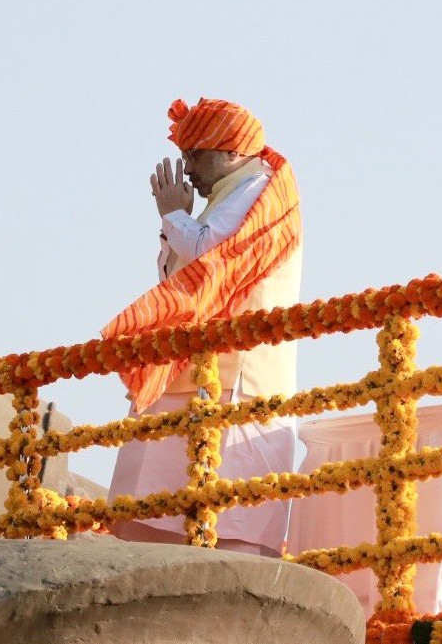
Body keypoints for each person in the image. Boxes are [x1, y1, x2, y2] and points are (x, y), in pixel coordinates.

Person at [102, 97, 303, 557]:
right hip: (195, 373)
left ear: (231, 152)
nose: (186, 167)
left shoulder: (261, 189)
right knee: (153, 519)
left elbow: (214, 253)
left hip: (236, 379)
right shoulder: (229, 195)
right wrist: (178, 221)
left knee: (224, 522)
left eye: (196, 155)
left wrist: (174, 215)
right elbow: (182, 278)